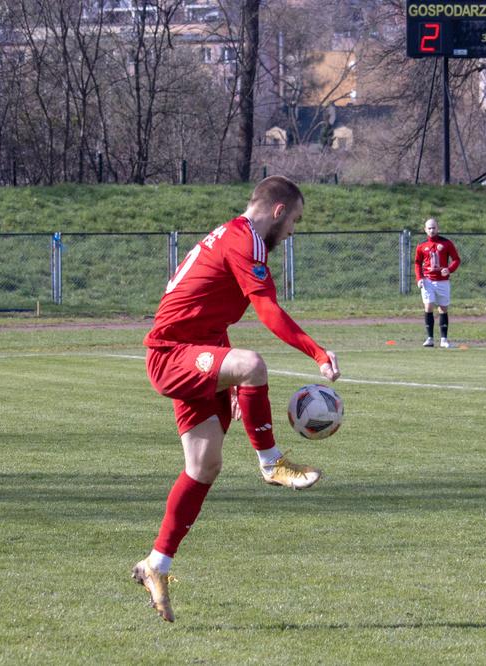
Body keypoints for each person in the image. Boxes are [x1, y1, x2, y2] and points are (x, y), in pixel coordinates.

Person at [132, 175, 340, 623]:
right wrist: (318, 353)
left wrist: (221, 379)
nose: (292, 232)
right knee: (252, 364)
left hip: (197, 350)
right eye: (294, 221)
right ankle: (271, 463)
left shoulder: (234, 235)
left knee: (203, 466)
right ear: (278, 211)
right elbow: (267, 311)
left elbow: (206, 311)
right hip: (172, 354)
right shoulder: (245, 240)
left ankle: (156, 564)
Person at [414, 218, 461, 348]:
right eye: (429, 228)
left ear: (438, 228)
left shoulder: (446, 243)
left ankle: (444, 340)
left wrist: (449, 269)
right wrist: (419, 278)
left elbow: (456, 259)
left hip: (442, 282)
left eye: (434, 227)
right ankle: (429, 338)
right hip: (427, 280)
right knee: (428, 306)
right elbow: (417, 263)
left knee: (443, 308)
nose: (432, 230)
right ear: (425, 230)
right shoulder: (421, 245)